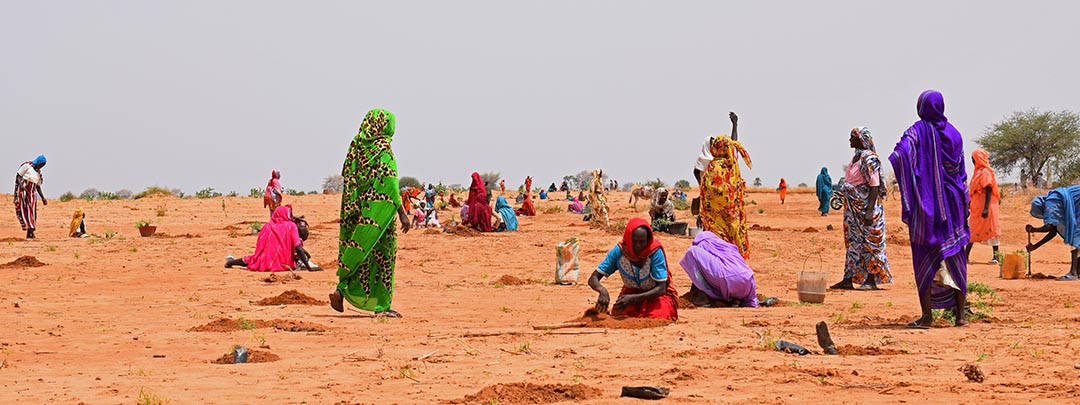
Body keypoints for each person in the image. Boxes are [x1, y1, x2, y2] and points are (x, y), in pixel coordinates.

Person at [889, 90, 969, 328]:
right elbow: (961, 171)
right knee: (956, 257)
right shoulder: (955, 134)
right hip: (954, 202)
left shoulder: (918, 131)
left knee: (924, 254)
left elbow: (900, 154)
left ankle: (927, 317)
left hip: (928, 204)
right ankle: (961, 316)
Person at [329, 109, 411, 318]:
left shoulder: (356, 145)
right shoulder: (383, 148)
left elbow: (347, 174)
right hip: (377, 215)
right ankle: (381, 307)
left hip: (354, 210)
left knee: (356, 251)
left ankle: (341, 288)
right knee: (383, 258)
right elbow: (390, 186)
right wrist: (402, 213)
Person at [832, 127, 892, 291]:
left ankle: (871, 279)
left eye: (852, 137)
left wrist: (869, 210)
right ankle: (848, 278)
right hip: (853, 211)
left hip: (866, 209)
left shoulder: (869, 159)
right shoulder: (856, 157)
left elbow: (874, 185)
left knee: (870, 243)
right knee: (853, 243)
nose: (850, 140)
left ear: (861, 140)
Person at [588, 218, 679, 320]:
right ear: (628, 239)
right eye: (634, 241)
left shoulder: (654, 252)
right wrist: (602, 291)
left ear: (648, 240)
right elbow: (593, 278)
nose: (638, 246)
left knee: (657, 317)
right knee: (618, 315)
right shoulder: (620, 251)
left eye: (642, 242)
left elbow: (661, 288)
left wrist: (634, 299)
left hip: (654, 296)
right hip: (630, 294)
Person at [700, 112, 751, 259]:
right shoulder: (731, 165)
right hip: (731, 218)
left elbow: (706, 193)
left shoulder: (712, 168)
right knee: (732, 245)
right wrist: (735, 125)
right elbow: (733, 144)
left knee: (717, 248)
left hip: (714, 220)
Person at [679, 231, 758, 307]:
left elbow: (700, 267)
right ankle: (735, 299)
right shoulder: (729, 247)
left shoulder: (703, 244)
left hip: (728, 280)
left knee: (692, 252)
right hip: (749, 283)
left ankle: (709, 296)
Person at [226, 205, 314, 272]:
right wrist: (309, 267)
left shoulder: (266, 227)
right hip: (285, 264)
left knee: (254, 259)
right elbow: (298, 247)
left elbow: (260, 249)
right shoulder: (291, 226)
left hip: (264, 262)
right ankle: (230, 262)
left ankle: (230, 262)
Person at [1026, 186, 1080, 281]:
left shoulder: (1051, 203)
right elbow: (1053, 231)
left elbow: (1049, 227)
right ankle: (1078, 270)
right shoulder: (1054, 202)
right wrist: (1035, 246)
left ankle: (1073, 273)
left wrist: (1034, 230)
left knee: (1075, 236)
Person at [966, 149, 1001, 264]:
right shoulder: (978, 172)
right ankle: (965, 257)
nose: (972, 161)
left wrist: (986, 208)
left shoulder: (985, 172)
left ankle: (996, 257)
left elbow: (988, 189)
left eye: (973, 158)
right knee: (973, 228)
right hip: (977, 206)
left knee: (991, 229)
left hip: (987, 205)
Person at [14, 155, 47, 239]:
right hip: (23, 191)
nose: (42, 166)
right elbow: (18, 176)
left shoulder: (38, 174)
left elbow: (38, 186)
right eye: (42, 164)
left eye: (44, 165)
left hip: (32, 194)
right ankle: (31, 232)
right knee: (23, 210)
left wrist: (43, 198)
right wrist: (21, 185)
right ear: (38, 162)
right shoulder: (27, 166)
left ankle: (30, 233)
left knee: (31, 213)